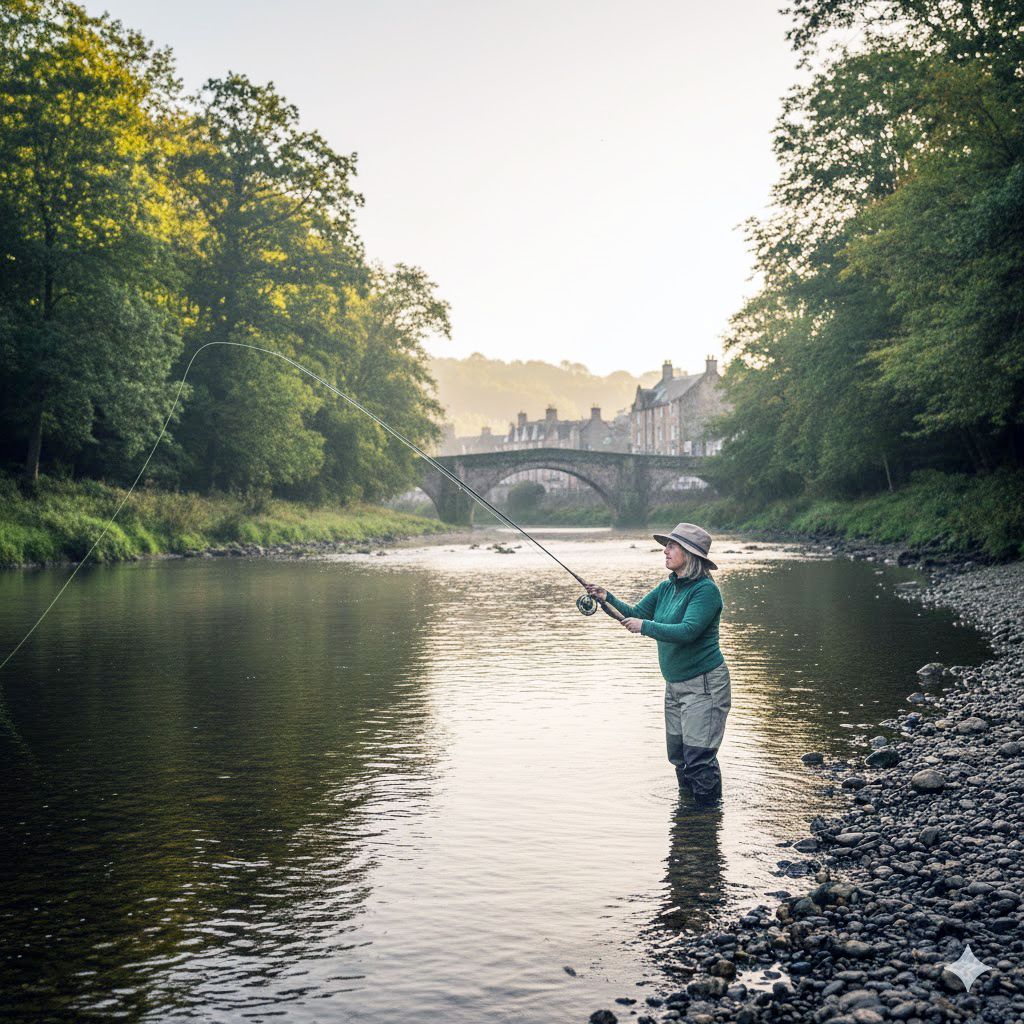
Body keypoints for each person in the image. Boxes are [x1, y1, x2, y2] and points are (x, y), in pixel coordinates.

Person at [585, 523, 730, 807]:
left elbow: (688, 631)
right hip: (675, 686)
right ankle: (688, 819)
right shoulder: (667, 588)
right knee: (678, 756)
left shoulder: (706, 592)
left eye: (672, 546)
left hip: (705, 686)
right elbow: (634, 614)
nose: (665, 550)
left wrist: (645, 626)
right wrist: (606, 599)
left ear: (689, 554)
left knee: (699, 758)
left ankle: (706, 824)